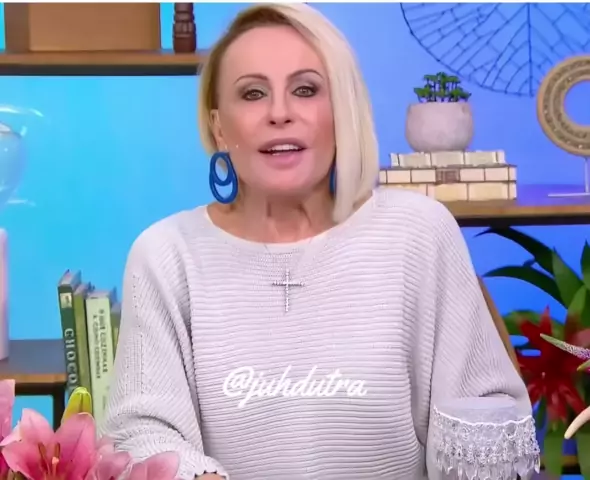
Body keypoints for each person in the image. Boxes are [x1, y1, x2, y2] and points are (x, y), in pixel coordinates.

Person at [101, 3, 536, 479]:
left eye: (305, 90)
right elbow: (142, 431)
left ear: (341, 112)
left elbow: (486, 410)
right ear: (219, 126)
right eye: (252, 93)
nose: (280, 113)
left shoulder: (419, 233)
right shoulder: (166, 254)